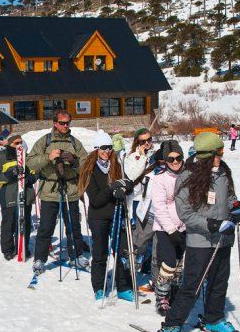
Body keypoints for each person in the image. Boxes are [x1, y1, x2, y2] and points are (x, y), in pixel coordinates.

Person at [160, 132, 240, 332]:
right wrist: (212, 224)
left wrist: (236, 208)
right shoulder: (188, 176)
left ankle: (213, 318)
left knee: (219, 282)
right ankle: (172, 325)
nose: (222, 156)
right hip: (200, 241)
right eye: (219, 153)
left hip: (223, 239)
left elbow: (230, 197)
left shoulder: (223, 172)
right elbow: (185, 212)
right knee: (192, 285)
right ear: (209, 155)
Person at [27, 110, 89, 275]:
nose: (65, 125)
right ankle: (40, 258)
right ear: (55, 123)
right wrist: (48, 157)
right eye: (62, 123)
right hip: (50, 189)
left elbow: (87, 165)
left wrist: (75, 161)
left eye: (68, 122)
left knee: (73, 225)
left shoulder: (75, 143)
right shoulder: (44, 141)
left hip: (70, 188)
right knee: (46, 227)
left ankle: (76, 254)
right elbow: (30, 163)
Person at [79, 130, 134, 301]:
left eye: (109, 148)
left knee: (121, 252)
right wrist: (112, 188)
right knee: (100, 253)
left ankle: (124, 286)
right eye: (103, 148)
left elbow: (129, 182)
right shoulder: (90, 169)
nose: (107, 151)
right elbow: (95, 199)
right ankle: (99, 287)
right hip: (98, 217)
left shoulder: (116, 165)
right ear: (96, 149)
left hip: (117, 214)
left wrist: (124, 188)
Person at [150, 140, 186, 315]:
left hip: (184, 226)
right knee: (169, 263)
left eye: (178, 158)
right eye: (171, 159)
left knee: (180, 264)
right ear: (165, 160)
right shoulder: (160, 179)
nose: (175, 162)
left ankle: (176, 293)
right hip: (165, 228)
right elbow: (159, 207)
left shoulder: (187, 175)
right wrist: (171, 230)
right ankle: (162, 295)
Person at [0, 135, 36, 261]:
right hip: (9, 194)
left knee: (24, 223)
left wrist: (29, 178)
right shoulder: (3, 157)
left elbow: (35, 173)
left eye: (21, 143)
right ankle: (8, 249)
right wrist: (10, 174)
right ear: (10, 144)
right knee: (9, 223)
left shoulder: (26, 157)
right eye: (16, 143)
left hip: (25, 195)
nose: (19, 145)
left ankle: (22, 247)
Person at [123, 128, 156, 277]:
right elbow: (132, 176)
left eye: (149, 139)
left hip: (152, 199)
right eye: (143, 141)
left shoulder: (155, 155)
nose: (147, 143)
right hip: (137, 200)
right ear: (137, 142)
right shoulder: (131, 157)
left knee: (152, 236)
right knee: (140, 236)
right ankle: (132, 263)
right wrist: (142, 158)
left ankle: (148, 267)